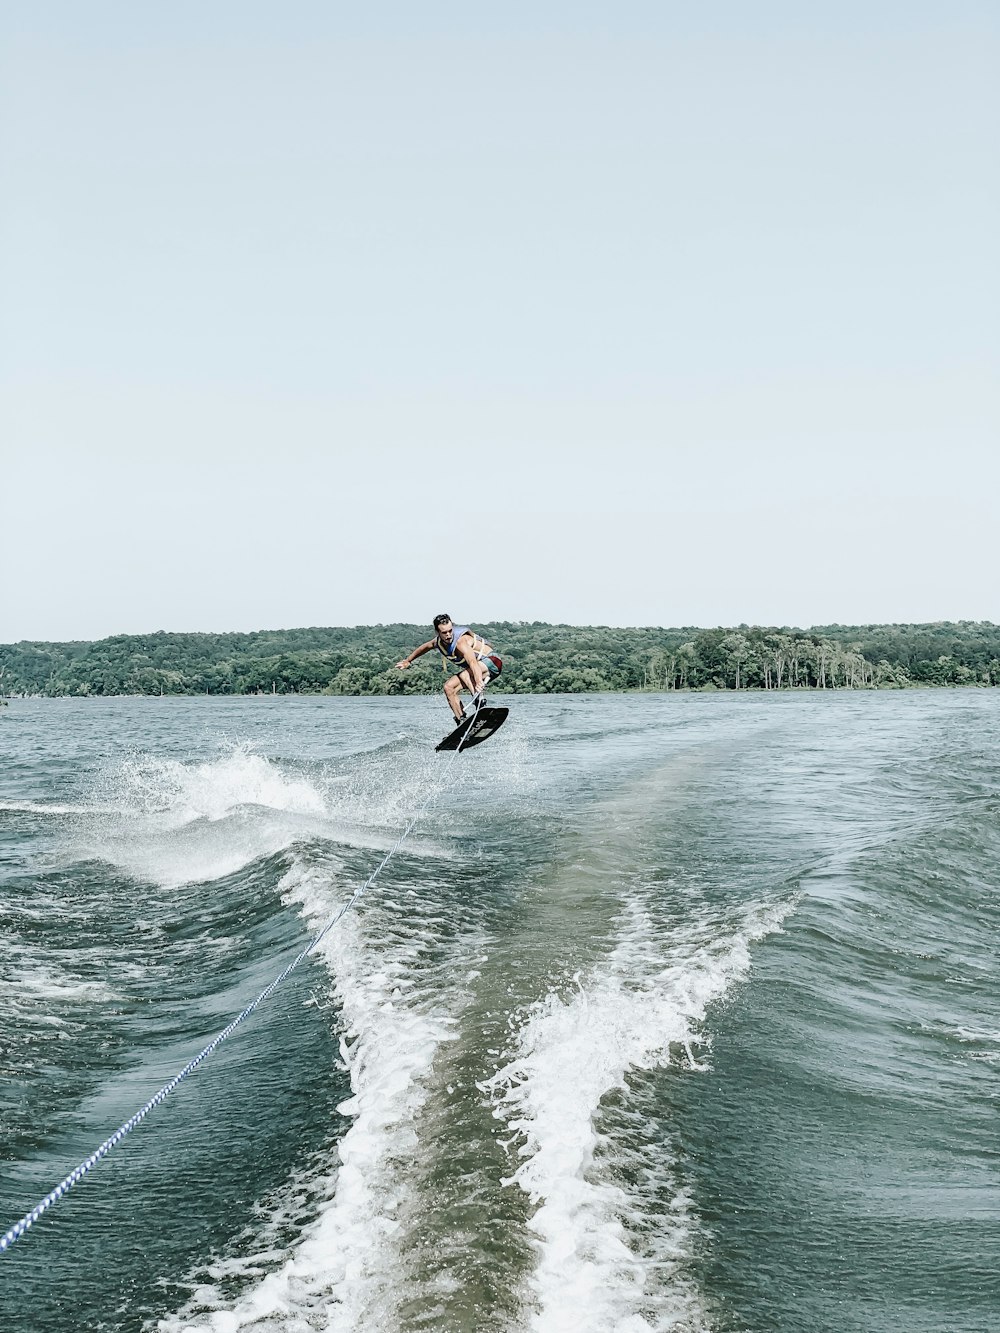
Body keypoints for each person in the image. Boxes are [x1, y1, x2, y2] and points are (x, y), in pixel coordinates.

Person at [396, 615, 503, 723]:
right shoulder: (437, 642)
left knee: (464, 675)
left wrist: (479, 682)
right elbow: (424, 648)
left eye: (450, 631)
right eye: (444, 632)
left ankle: (479, 701)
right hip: (476, 670)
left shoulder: (460, 642)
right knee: (449, 687)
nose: (448, 635)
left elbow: (473, 663)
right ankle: (461, 720)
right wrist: (408, 660)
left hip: (492, 662)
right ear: (437, 633)